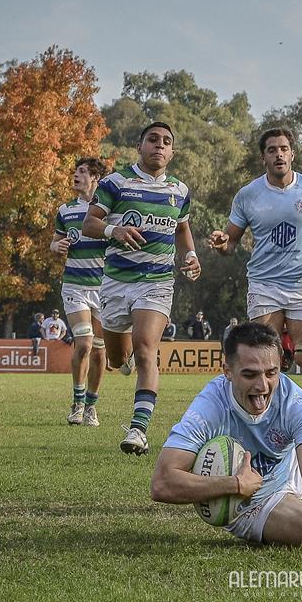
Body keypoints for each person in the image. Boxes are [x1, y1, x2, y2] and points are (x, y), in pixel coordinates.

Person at [150, 322, 302, 559]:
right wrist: (235, 485)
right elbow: (161, 483)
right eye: (250, 374)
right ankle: (288, 505)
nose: (262, 386)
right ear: (228, 371)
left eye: (271, 373)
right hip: (254, 503)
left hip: (287, 460)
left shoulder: (297, 403)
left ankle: (301, 482)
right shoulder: (209, 408)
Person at [82, 122, 201, 455]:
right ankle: (126, 358)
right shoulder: (115, 183)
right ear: (140, 145)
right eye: (153, 140)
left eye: (166, 142)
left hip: (157, 282)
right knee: (118, 359)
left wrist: (191, 254)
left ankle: (138, 430)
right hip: (117, 283)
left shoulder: (179, 190)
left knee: (147, 347)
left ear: (172, 152)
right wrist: (113, 231)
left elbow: (182, 227)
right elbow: (89, 223)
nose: (159, 146)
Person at [207, 127, 302, 374]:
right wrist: (222, 243)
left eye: (284, 149)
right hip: (264, 284)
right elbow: (231, 242)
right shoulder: (248, 195)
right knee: (263, 361)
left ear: (292, 154)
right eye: (272, 150)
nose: (278, 155)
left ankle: (288, 345)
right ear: (264, 158)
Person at [52, 156, 111, 426]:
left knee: (99, 351)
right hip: (75, 285)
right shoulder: (65, 210)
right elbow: (55, 242)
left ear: (95, 178)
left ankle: (91, 405)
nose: (76, 175)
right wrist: (57, 247)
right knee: (84, 344)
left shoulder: (108, 211)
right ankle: (76, 402)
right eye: (76, 171)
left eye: (83, 171)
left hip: (104, 287)